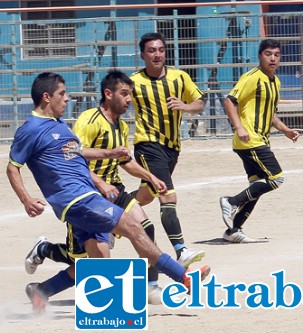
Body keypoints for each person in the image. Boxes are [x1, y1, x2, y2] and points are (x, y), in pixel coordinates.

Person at [7, 72, 210, 313]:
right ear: (46, 97)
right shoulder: (30, 128)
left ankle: (42, 291)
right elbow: (12, 167)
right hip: (76, 199)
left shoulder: (60, 126)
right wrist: (26, 199)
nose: (67, 99)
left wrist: (110, 155)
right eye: (63, 94)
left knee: (97, 264)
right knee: (135, 226)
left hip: (89, 193)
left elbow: (79, 154)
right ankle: (184, 277)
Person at [130, 32, 205, 264]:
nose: (157, 54)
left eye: (161, 50)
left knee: (145, 196)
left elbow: (200, 102)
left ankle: (110, 221)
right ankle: (181, 251)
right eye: (152, 50)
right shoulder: (133, 82)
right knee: (167, 195)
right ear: (143, 55)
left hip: (171, 148)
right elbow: (114, 102)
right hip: (147, 145)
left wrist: (184, 106)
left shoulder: (179, 77)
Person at [219, 39, 300, 243]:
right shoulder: (252, 78)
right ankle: (231, 201)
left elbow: (270, 114)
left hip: (260, 139)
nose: (272, 58)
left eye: (276, 54)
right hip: (250, 140)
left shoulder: (275, 82)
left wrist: (286, 130)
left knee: (257, 186)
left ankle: (233, 230)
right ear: (260, 56)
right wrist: (239, 126)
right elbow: (229, 101)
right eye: (268, 54)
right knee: (276, 178)